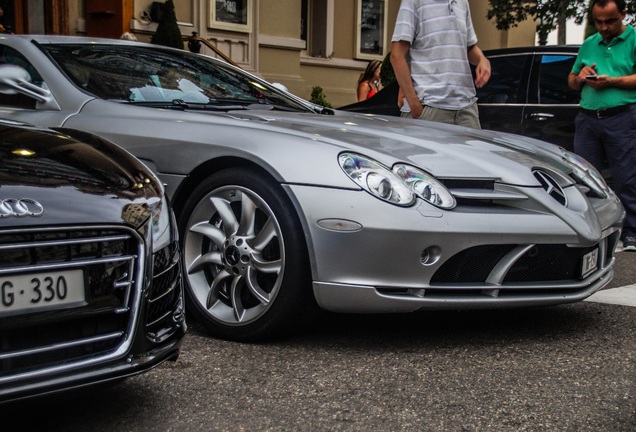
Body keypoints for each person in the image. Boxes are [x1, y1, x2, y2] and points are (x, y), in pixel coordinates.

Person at [567, 0, 636, 251]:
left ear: (623, 15)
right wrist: (581, 77)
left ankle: (631, 232)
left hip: (623, 118)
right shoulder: (589, 43)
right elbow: (572, 81)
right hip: (587, 119)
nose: (604, 27)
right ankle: (593, 231)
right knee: (585, 178)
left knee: (626, 177)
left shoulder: (634, 40)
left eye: (610, 21)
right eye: (598, 21)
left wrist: (612, 81)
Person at [390, 0, 491, 129]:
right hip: (429, 108)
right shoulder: (413, 2)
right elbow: (396, 55)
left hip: (466, 108)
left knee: (475, 149)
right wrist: (415, 106)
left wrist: (482, 60)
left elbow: (469, 47)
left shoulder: (462, 2)